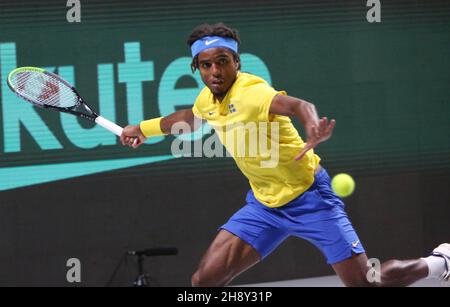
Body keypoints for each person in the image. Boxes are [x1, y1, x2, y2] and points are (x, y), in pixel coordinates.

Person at [120, 23, 449, 287]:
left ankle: (437, 265)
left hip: (311, 198)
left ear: (236, 62)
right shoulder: (208, 98)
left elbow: (298, 106)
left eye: (222, 61)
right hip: (264, 205)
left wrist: (312, 127)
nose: (215, 71)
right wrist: (142, 128)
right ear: (198, 68)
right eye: (206, 65)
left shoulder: (252, 92)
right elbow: (189, 118)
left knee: (369, 281)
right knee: (203, 280)